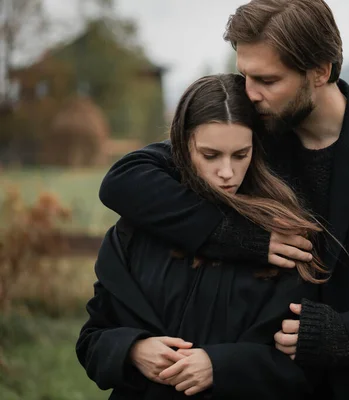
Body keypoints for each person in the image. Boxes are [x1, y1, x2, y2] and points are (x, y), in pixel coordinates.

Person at [97, 0, 349, 399]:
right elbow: (125, 181)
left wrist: (348, 334)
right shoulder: (249, 137)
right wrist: (239, 236)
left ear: (320, 71)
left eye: (267, 79)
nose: (249, 94)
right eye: (244, 75)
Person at [76, 73, 332, 400]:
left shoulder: (287, 240)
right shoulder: (136, 230)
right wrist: (133, 350)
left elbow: (302, 370)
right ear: (182, 149)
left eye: (240, 155)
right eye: (210, 155)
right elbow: (92, 340)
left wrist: (220, 366)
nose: (226, 172)